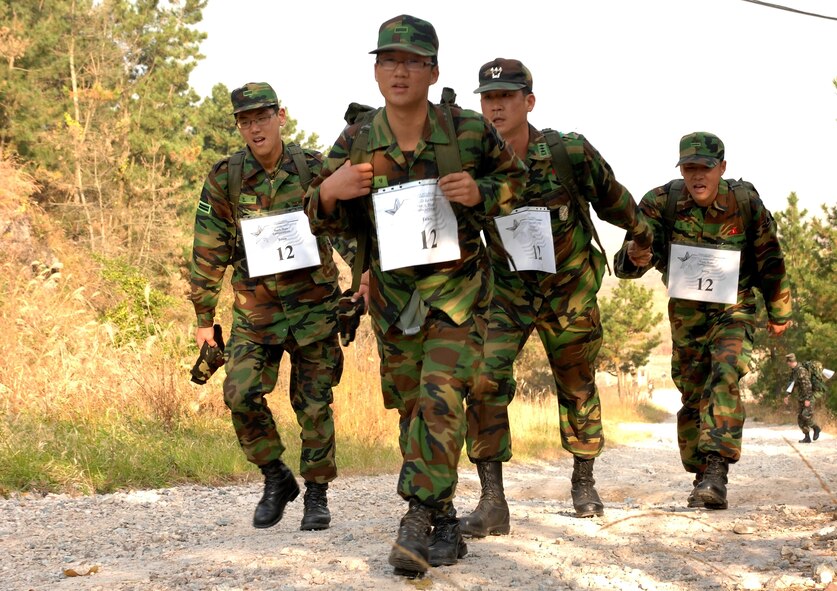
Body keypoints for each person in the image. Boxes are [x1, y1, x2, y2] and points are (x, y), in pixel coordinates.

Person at [304, 16, 526, 577]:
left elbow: (519, 184)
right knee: (412, 409)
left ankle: (416, 518)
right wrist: (329, 192)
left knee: (441, 397)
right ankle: (446, 515)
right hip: (394, 301)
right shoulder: (358, 137)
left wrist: (483, 191)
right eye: (388, 60)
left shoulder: (467, 129)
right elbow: (315, 216)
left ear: (432, 70)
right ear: (376, 71)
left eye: (411, 61)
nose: (398, 71)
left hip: (457, 295)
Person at [461, 58, 653, 536]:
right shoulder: (472, 163)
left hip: (569, 290)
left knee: (578, 384)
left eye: (506, 97)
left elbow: (613, 198)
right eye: (488, 98)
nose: (496, 106)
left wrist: (641, 233)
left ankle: (583, 480)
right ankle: (492, 500)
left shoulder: (569, 152)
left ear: (529, 101)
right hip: (506, 292)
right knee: (483, 379)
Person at [190, 82, 345, 532]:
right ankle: (276, 477)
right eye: (245, 120)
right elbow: (208, 248)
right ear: (238, 125)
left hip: (314, 309)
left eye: (261, 117)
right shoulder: (226, 177)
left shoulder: (314, 168)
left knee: (314, 405)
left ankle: (316, 494)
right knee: (239, 393)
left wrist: (365, 275)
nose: (254, 128)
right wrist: (204, 317)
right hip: (256, 312)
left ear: (281, 115)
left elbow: (347, 225)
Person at [614, 131, 792, 510]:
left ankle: (716, 473)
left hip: (734, 309)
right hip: (686, 315)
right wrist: (634, 255)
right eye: (689, 168)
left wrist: (780, 309)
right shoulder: (662, 203)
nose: (697, 176)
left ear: (721, 168)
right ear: (681, 169)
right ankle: (700, 473)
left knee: (725, 373)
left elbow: (769, 259)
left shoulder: (744, 202)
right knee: (693, 393)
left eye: (705, 168)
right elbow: (627, 262)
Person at [783, 353, 822, 443]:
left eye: (788, 362)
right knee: (800, 418)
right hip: (801, 398)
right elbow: (791, 384)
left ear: (790, 362)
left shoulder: (801, 371)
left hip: (807, 397)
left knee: (805, 415)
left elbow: (808, 386)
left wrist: (808, 399)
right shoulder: (794, 371)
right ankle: (807, 437)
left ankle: (816, 428)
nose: (787, 364)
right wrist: (787, 395)